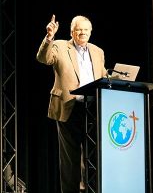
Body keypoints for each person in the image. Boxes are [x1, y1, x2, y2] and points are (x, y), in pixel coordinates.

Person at [36, 14, 107, 193]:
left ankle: (90, 189)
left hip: (93, 108)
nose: (82, 33)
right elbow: (43, 58)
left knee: (93, 156)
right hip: (69, 106)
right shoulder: (60, 46)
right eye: (79, 29)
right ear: (71, 32)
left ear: (91, 32)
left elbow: (103, 75)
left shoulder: (98, 51)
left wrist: (115, 78)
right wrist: (49, 37)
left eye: (86, 30)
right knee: (70, 160)